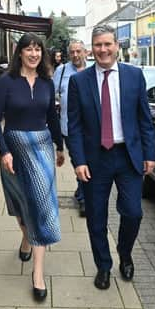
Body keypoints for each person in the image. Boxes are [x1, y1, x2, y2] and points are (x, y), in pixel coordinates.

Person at [67, 24, 155, 290]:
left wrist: (149, 153)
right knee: (96, 217)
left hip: (128, 157)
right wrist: (78, 160)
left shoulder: (134, 76)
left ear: (117, 46)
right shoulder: (78, 81)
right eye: (98, 45)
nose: (103, 50)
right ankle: (103, 266)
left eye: (108, 44)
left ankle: (125, 252)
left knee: (133, 213)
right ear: (91, 49)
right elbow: (74, 126)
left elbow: (144, 119)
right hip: (96, 160)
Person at [0, 32, 65, 302]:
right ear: (19, 52)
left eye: (38, 49)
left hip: (42, 149)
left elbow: (52, 117)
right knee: (20, 206)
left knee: (41, 209)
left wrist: (60, 146)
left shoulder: (47, 82)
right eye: (29, 49)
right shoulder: (6, 82)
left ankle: (37, 274)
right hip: (14, 151)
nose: (34, 54)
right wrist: (3, 151)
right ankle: (26, 238)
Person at [53, 39, 88, 217]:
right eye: (72, 52)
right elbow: (53, 94)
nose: (75, 55)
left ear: (85, 52)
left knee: (88, 161)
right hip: (68, 125)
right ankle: (83, 199)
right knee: (78, 160)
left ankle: (81, 191)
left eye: (78, 51)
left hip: (90, 127)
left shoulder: (92, 70)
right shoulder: (62, 70)